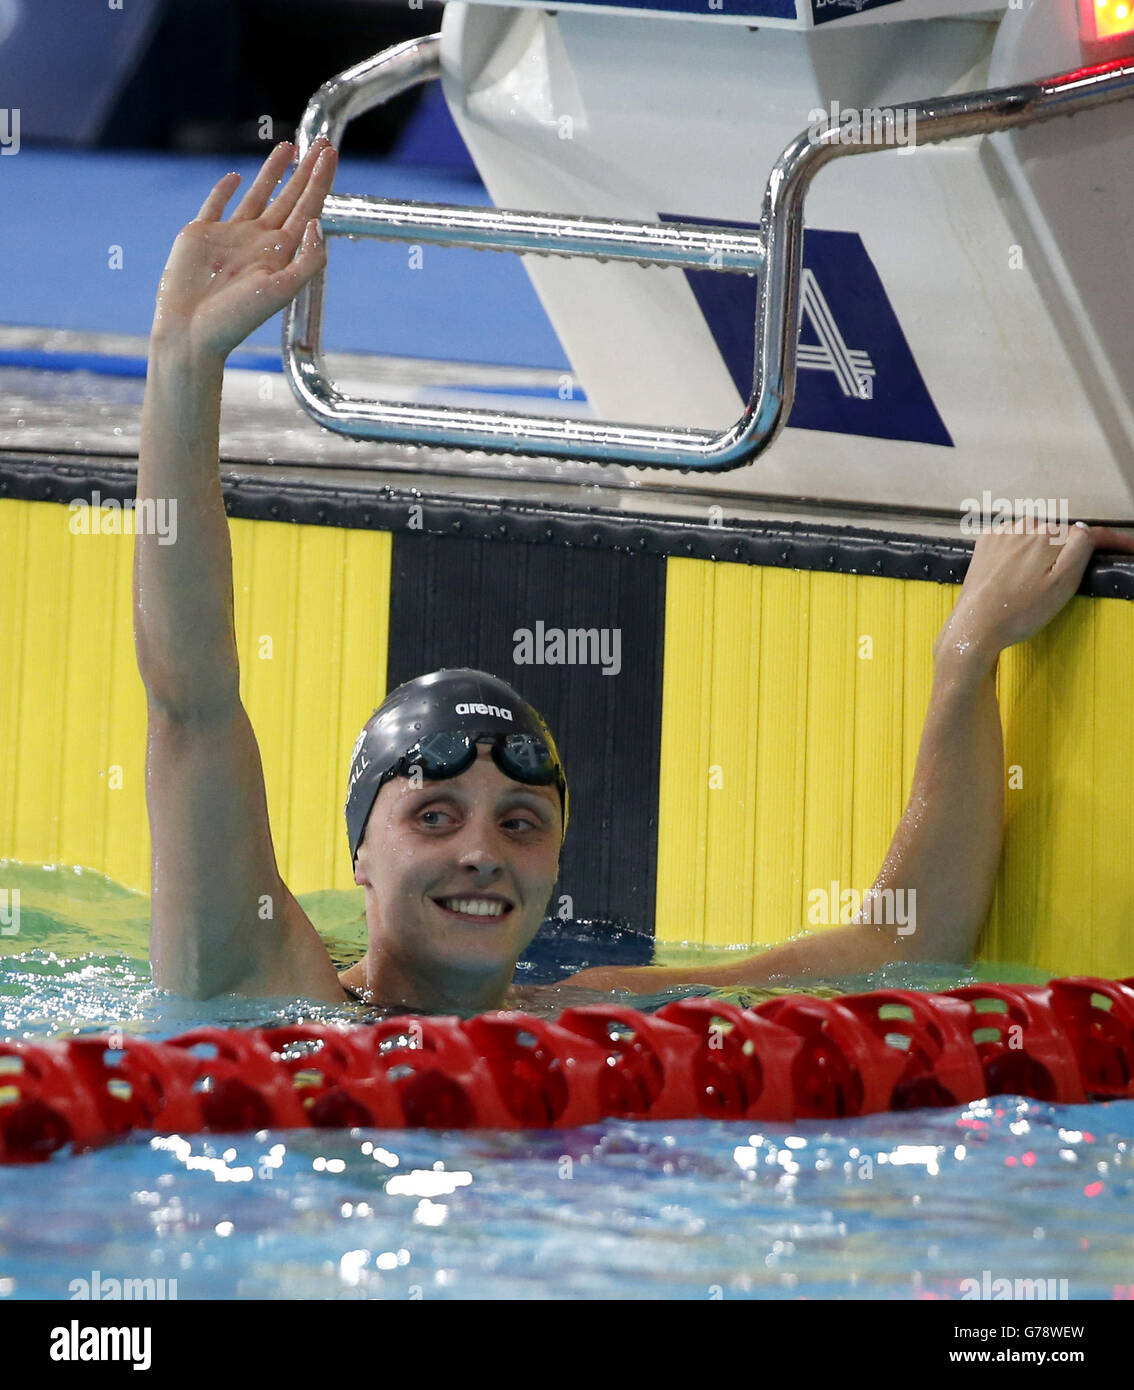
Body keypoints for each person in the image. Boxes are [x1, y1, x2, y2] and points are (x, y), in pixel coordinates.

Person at [135, 136, 1134, 1011]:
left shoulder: (589, 1014)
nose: (482, 851)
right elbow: (192, 703)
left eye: (520, 823)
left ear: (556, 861)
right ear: (359, 852)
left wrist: (966, 656)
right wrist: (185, 370)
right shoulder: (266, 986)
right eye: (433, 816)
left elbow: (903, 949)